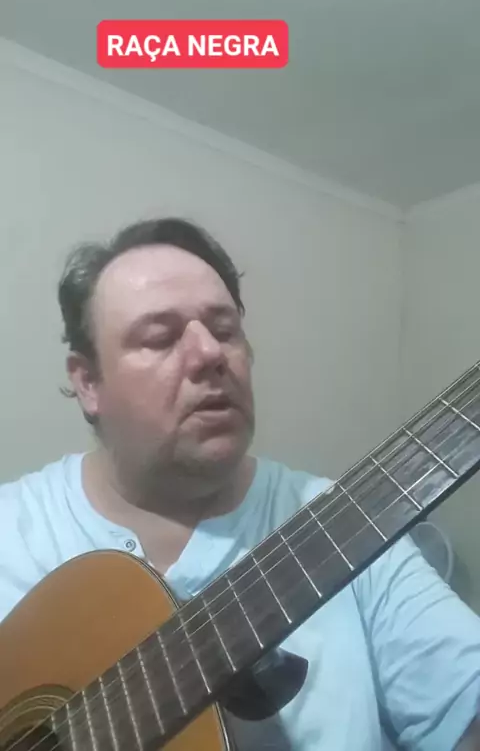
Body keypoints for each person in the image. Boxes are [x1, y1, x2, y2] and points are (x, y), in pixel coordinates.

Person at [0, 216, 479, 751]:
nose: (211, 353)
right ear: (89, 382)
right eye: (160, 337)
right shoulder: (10, 532)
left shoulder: (348, 519)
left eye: (225, 330)